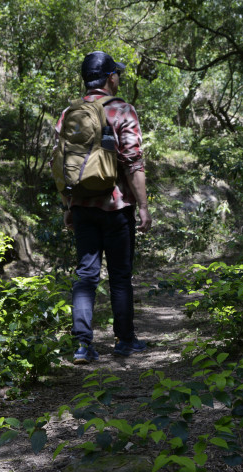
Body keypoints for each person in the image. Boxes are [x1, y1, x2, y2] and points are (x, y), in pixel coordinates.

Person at [53, 51, 152, 364]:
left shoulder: (70, 113)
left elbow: (60, 166)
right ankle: (124, 341)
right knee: (120, 277)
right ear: (111, 78)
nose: (118, 78)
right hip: (116, 206)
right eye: (117, 74)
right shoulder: (122, 109)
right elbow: (134, 162)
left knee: (86, 276)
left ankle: (83, 345)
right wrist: (144, 207)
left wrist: (68, 205)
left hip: (81, 206)